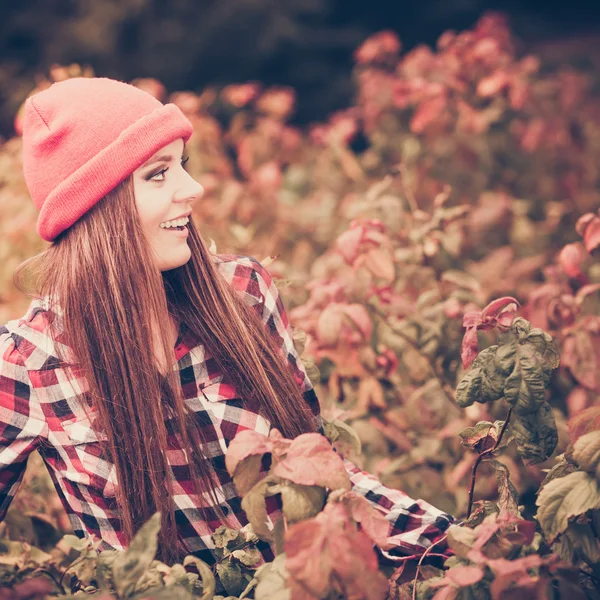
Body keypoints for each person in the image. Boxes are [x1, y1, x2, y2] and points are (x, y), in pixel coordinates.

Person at [0, 77, 455, 576]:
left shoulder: (241, 294)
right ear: (94, 209)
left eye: (183, 165)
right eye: (157, 174)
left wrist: (447, 545)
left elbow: (319, 474)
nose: (192, 189)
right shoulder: (28, 363)